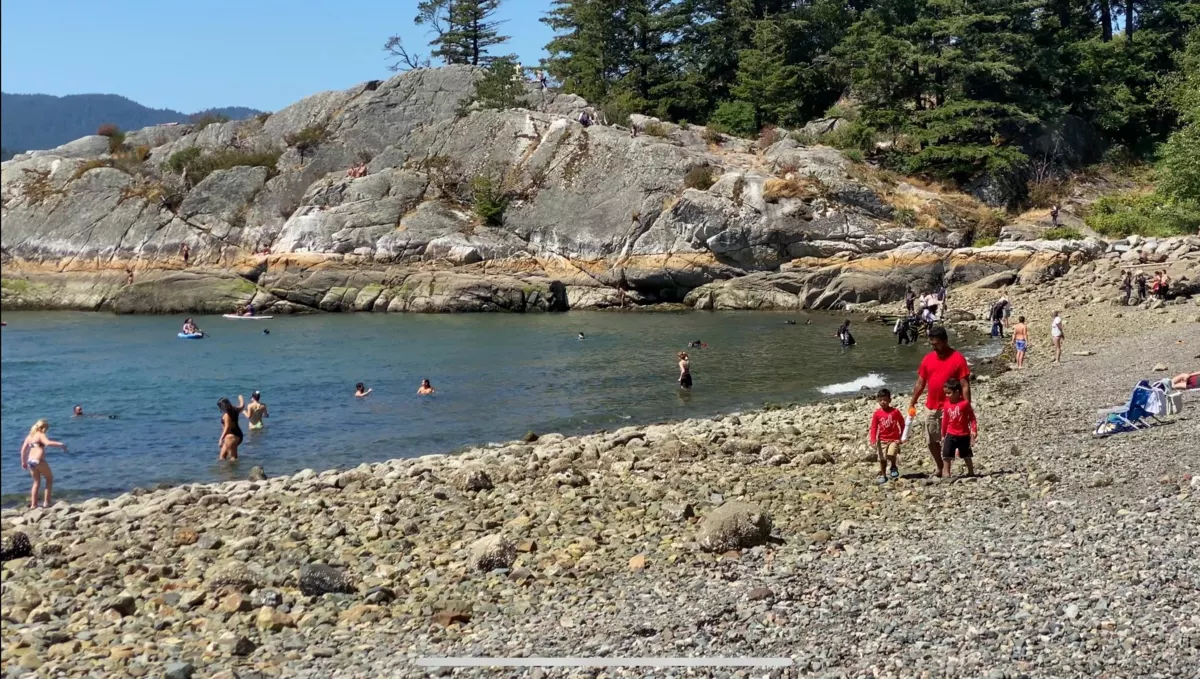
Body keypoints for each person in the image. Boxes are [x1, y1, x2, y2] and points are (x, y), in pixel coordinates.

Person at [906, 326, 971, 477]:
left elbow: (965, 385)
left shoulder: (957, 358)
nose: (934, 346)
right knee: (931, 439)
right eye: (932, 344)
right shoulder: (928, 358)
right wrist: (912, 402)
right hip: (932, 406)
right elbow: (920, 383)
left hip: (952, 406)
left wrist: (966, 407)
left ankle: (958, 468)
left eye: (936, 343)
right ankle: (940, 466)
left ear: (945, 341)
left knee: (951, 439)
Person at [20, 420, 68, 509]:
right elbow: (48, 443)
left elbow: (23, 451)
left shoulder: (30, 436)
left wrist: (23, 462)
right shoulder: (40, 435)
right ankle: (47, 502)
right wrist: (61, 445)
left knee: (36, 482)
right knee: (49, 479)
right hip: (39, 461)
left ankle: (33, 504)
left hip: (30, 461)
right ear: (44, 427)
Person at [939, 377, 978, 478]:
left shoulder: (964, 404)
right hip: (950, 433)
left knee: (966, 455)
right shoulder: (947, 405)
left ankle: (971, 471)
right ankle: (946, 473)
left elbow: (972, 418)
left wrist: (974, 429)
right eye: (945, 393)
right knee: (947, 455)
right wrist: (943, 434)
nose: (947, 396)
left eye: (949, 393)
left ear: (957, 392)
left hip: (963, 434)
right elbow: (945, 421)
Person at [869, 388, 905, 484]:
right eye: (880, 400)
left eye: (885, 400)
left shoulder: (895, 412)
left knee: (891, 454)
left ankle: (893, 466)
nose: (883, 402)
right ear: (878, 401)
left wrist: (902, 436)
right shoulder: (877, 414)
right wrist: (873, 439)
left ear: (889, 400)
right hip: (882, 440)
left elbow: (902, 423)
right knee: (882, 459)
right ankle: (883, 475)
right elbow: (873, 427)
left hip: (894, 439)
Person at [217, 396, 245, 460]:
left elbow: (227, 428)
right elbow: (242, 405)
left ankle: (233, 470)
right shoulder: (235, 409)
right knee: (222, 457)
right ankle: (225, 469)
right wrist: (241, 398)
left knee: (233, 458)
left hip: (231, 437)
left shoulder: (226, 415)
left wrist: (221, 439)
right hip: (238, 435)